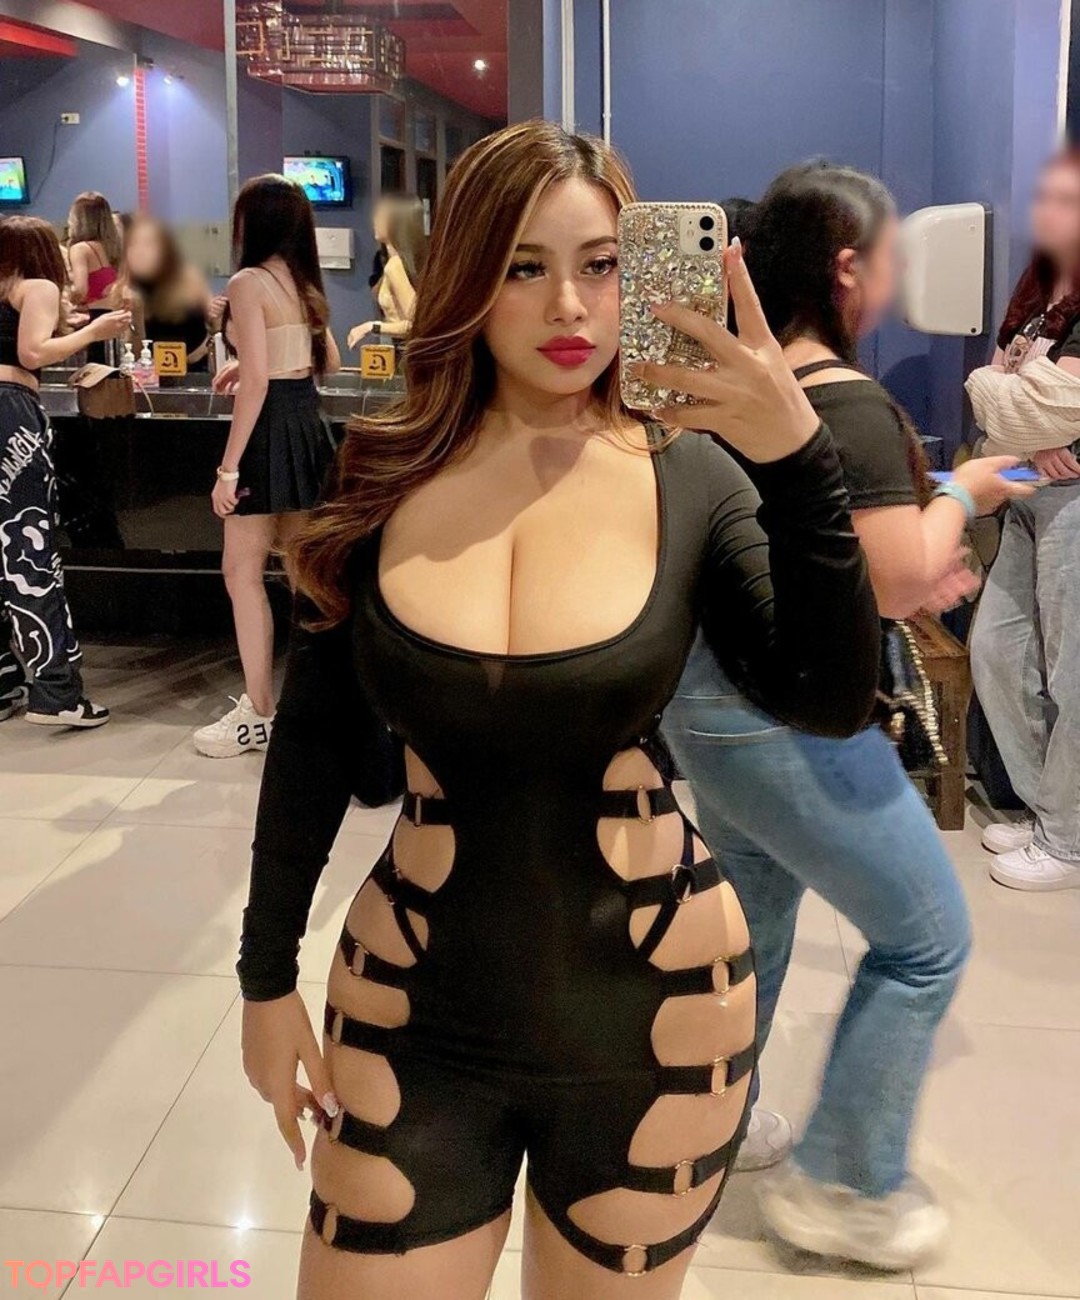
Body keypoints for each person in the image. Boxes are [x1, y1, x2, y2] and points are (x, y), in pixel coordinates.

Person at [235, 122, 880, 1300]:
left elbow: (833, 699)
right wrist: (264, 974)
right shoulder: (379, 469)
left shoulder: (691, 475)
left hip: (656, 1019)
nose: (569, 305)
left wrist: (798, 457)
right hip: (414, 1010)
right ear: (468, 279)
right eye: (524, 266)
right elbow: (316, 741)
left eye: (602, 264)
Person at [661, 163, 1032, 1271]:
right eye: (889, 257)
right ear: (844, 268)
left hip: (706, 704)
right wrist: (967, 492)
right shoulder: (849, 405)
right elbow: (894, 575)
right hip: (789, 718)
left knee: (756, 919)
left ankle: (714, 1125)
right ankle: (846, 1184)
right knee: (927, 940)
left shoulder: (726, 390)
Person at [193, 175, 341, 759]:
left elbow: (255, 382)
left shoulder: (248, 282)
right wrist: (261, 364)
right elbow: (326, 360)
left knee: (241, 572)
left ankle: (259, 713)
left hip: (269, 428)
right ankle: (318, 704)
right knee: (308, 577)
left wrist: (227, 470)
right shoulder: (302, 281)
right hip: (307, 422)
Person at [968, 147, 1080, 890]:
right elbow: (1003, 404)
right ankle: (1051, 812)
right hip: (1026, 489)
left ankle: (1067, 840)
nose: (1047, 211)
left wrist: (1006, 396)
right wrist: (1021, 414)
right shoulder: (1038, 291)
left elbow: (1055, 407)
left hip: (1073, 497)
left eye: (1067, 200)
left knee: (1073, 672)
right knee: (998, 650)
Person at [0, 215, 131, 727]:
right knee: (28, 551)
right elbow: (30, 352)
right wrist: (95, 331)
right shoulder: (37, 284)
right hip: (10, 416)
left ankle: (5, 679)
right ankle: (57, 693)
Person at [124, 213, 227, 372]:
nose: (141, 251)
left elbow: (215, 327)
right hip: (149, 374)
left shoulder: (188, 278)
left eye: (148, 244)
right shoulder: (127, 289)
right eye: (133, 245)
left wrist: (217, 319)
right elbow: (131, 354)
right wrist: (136, 316)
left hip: (195, 368)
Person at [347, 195, 427, 348]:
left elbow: (416, 323)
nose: (375, 220)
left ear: (397, 222)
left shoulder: (395, 266)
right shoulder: (392, 263)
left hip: (407, 352)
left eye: (381, 215)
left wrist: (372, 327)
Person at [67, 191, 129, 362]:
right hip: (120, 317)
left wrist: (64, 300)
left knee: (97, 371)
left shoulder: (81, 249)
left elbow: (80, 289)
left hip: (98, 320)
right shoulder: (115, 248)